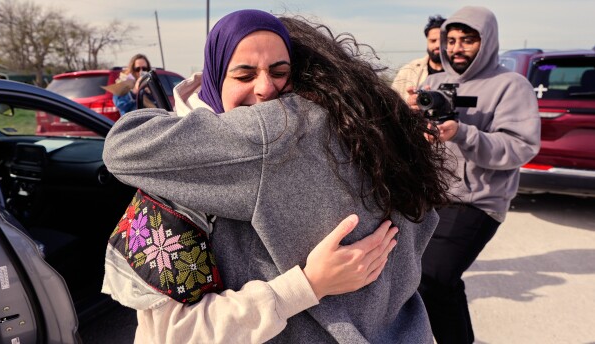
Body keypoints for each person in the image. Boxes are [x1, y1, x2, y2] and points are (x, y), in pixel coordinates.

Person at [104, 9, 452, 343]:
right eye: (243, 75)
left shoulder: (279, 130)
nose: (265, 90)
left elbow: (122, 145)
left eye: (280, 71)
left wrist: (306, 287)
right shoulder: (376, 130)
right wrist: (308, 284)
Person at [407, 6, 541, 344]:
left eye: (468, 40)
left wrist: (463, 134)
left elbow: (521, 146)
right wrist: (411, 121)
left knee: (432, 279)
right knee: (438, 282)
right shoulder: (435, 82)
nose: (456, 48)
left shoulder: (511, 86)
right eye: (451, 41)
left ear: (487, 41)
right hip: (433, 194)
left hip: (478, 200)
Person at [392, 15, 446, 102]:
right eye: (433, 41)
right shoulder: (408, 71)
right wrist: (410, 106)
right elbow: (392, 104)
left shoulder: (461, 73)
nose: (437, 45)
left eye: (442, 41)